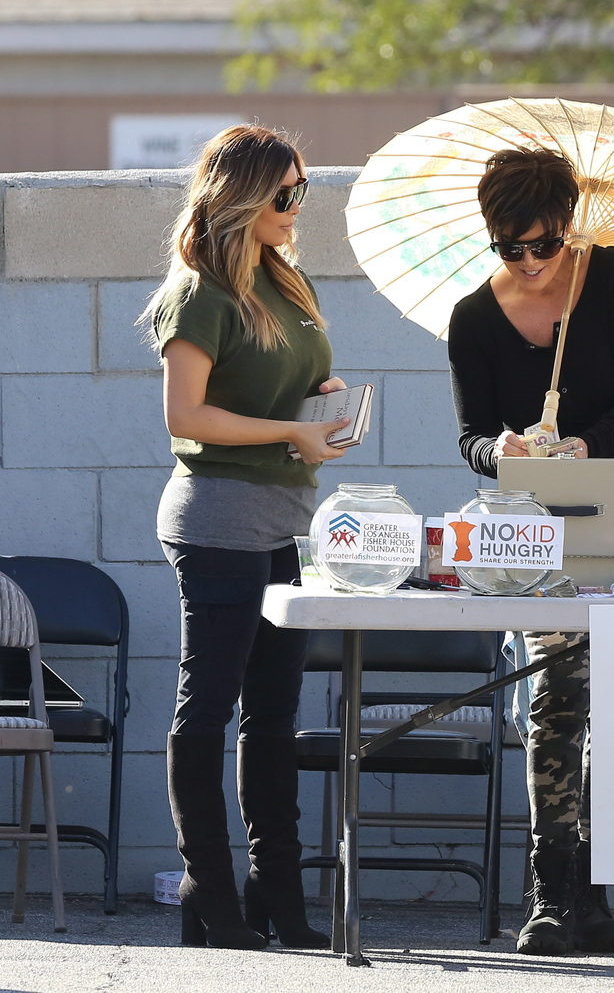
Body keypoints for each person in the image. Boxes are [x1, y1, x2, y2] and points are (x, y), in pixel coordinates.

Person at [448, 147, 614, 956]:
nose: (530, 263)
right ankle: (554, 891)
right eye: (509, 248)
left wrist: (586, 445)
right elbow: (468, 435)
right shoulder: (471, 318)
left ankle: (603, 887)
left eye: (544, 244)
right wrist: (502, 451)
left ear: (569, 225)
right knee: (558, 693)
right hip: (548, 527)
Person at [140, 124, 352, 950]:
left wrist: (321, 394)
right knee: (210, 708)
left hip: (286, 522)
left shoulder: (283, 280)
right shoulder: (199, 292)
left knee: (274, 714)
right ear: (244, 197)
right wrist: (284, 433)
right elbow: (184, 416)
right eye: (287, 193)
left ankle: (277, 893)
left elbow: (273, 389)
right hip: (219, 518)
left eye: (304, 190)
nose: (299, 206)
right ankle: (211, 890)